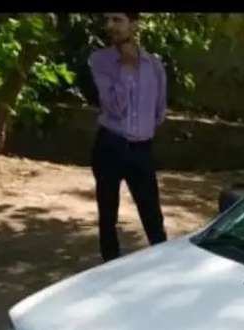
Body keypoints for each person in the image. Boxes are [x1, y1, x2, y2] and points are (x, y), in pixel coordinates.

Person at [88, 12, 168, 262]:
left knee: (152, 214)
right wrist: (126, 69)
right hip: (110, 145)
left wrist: (141, 132)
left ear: (133, 24)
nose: (110, 26)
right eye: (108, 20)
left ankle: (164, 264)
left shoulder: (154, 66)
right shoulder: (100, 61)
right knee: (108, 213)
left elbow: (159, 111)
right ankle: (109, 266)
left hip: (142, 149)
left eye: (117, 19)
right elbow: (113, 107)